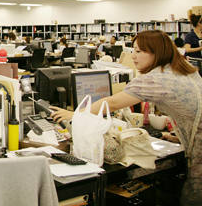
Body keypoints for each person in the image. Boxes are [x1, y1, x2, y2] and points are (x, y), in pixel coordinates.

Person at [50, 30, 202, 205]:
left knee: (194, 197)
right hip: (195, 137)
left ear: (157, 53)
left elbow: (113, 103)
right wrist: (181, 136)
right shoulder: (183, 69)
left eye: (138, 51)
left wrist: (76, 114)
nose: (133, 56)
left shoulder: (156, 78)